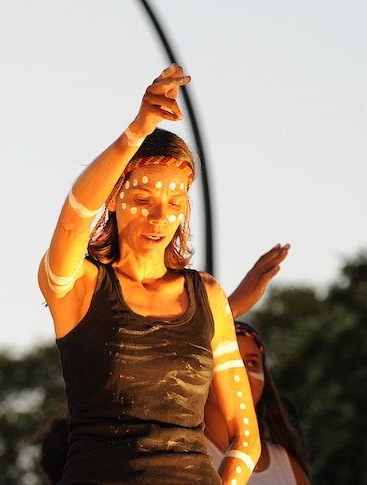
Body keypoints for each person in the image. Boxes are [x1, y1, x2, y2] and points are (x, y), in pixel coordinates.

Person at [38, 64, 261, 484]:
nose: (161, 217)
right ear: (113, 200)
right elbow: (72, 221)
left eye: (175, 205)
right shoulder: (81, 285)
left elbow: (245, 437)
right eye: (143, 198)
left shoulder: (207, 295)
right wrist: (136, 132)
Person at [204, 321, 310, 485]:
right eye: (231, 361)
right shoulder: (180, 452)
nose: (242, 373)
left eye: (252, 363)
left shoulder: (286, 464)